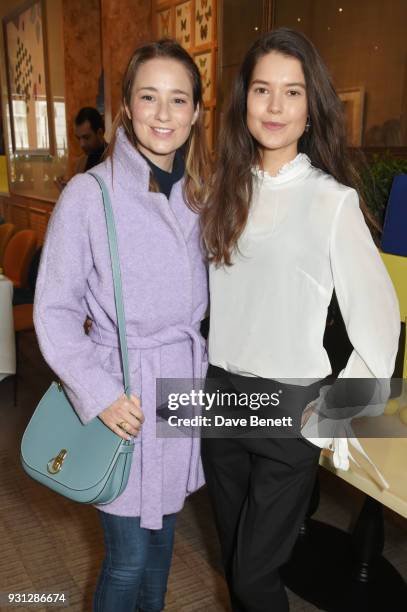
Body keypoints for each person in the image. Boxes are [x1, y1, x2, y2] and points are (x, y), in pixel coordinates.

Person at [201, 28, 400, 612]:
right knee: (234, 560)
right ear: (245, 102)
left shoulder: (330, 200)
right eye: (263, 89)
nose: (275, 106)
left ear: (311, 107)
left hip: (290, 405)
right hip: (220, 397)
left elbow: (381, 324)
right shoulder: (222, 188)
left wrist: (333, 415)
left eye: (292, 92)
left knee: (254, 577)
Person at [34, 39, 210, 612]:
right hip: (123, 395)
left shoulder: (201, 196)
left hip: (181, 387)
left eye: (178, 99)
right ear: (128, 109)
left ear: (196, 113)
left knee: (162, 551)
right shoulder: (91, 195)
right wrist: (102, 394)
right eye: (149, 97)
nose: (164, 114)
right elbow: (55, 311)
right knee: (128, 558)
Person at [55, 107, 107, 190]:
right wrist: (66, 192)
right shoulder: (80, 164)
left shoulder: (115, 159)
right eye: (78, 138)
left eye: (86, 137)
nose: (82, 144)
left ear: (100, 133)